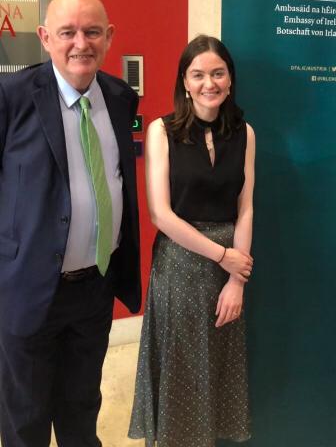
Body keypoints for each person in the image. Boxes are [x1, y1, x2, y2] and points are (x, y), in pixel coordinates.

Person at [0, 0, 141, 447]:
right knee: (25, 418)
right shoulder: (12, 96)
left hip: (93, 288)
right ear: (45, 37)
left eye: (92, 31)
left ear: (109, 37)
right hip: (27, 290)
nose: (81, 43)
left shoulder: (120, 98)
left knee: (83, 409)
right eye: (67, 32)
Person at [129, 35, 255, 446]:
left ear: (230, 80)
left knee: (215, 373)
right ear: (185, 81)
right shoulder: (161, 131)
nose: (209, 83)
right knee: (180, 371)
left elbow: (246, 207)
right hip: (180, 267)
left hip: (228, 272)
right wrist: (224, 256)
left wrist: (236, 279)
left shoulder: (245, 133)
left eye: (218, 73)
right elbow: (161, 215)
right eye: (198, 74)